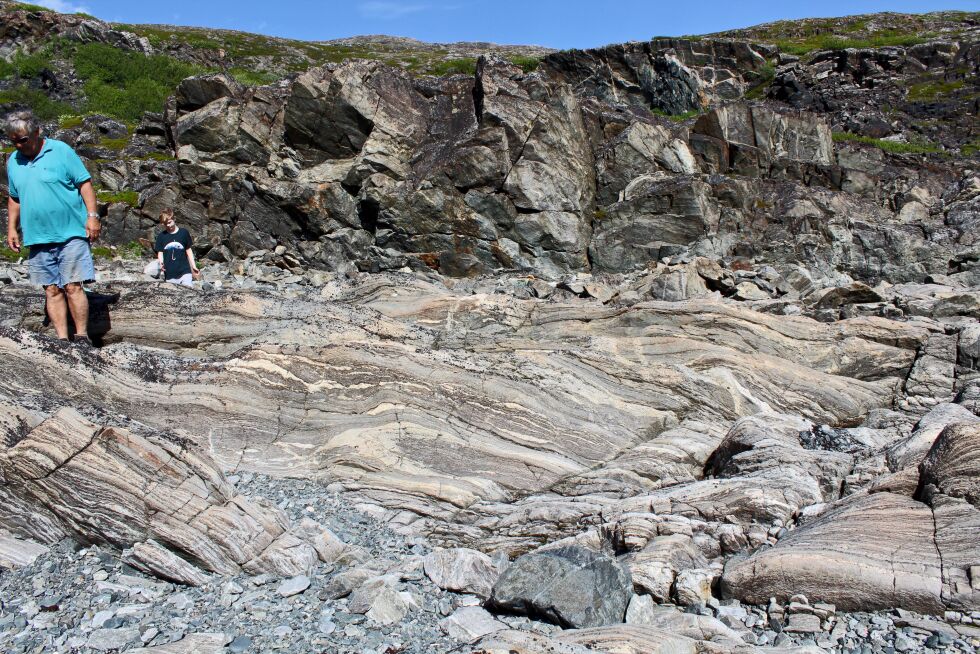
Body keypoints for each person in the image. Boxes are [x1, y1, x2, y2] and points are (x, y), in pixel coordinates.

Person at [5, 110, 100, 344]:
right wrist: (11, 228)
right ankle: (62, 340)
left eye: (23, 140)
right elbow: (14, 198)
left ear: (36, 133)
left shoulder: (61, 151)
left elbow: (85, 184)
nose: (18, 145)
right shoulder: (13, 161)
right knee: (51, 289)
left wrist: (92, 216)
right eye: (13, 141)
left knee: (72, 286)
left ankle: (81, 337)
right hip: (37, 237)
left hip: (70, 233)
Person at [154, 208, 199, 286]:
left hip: (185, 271)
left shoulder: (184, 233)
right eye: (165, 224)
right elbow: (160, 252)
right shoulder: (161, 236)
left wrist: (193, 266)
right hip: (170, 273)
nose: (168, 225)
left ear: (174, 218)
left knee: (188, 291)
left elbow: (188, 250)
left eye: (169, 222)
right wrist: (161, 264)